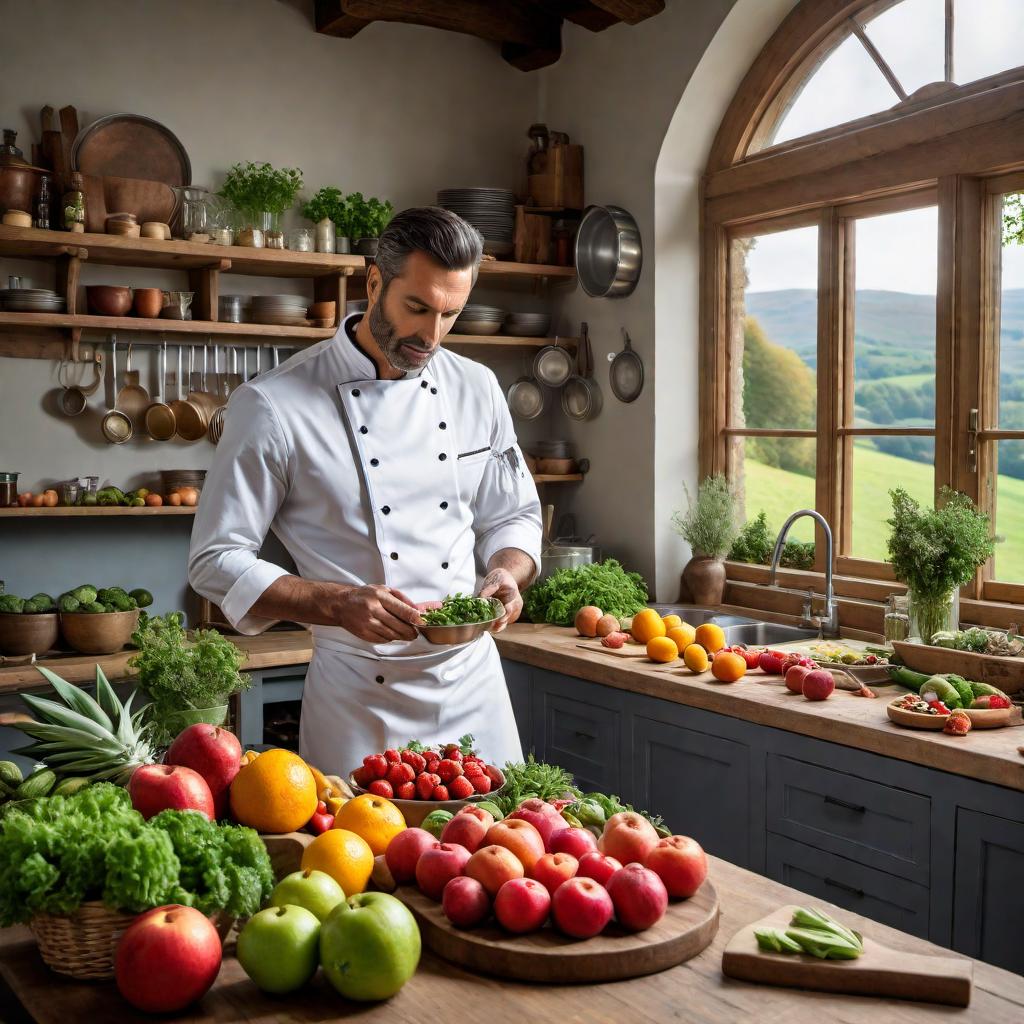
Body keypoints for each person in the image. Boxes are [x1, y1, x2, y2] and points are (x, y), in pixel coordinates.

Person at [188, 207, 542, 774]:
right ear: (374, 281)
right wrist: (335, 602)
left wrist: (507, 571)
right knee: (363, 860)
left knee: (502, 855)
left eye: (451, 314)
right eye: (417, 308)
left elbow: (514, 514)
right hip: (360, 696)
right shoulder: (273, 405)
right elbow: (214, 560)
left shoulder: (478, 387)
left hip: (473, 685)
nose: (432, 336)